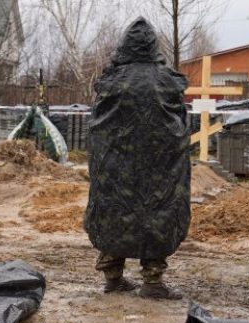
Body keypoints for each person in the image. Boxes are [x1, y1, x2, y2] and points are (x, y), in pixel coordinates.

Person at [84, 17, 191, 299]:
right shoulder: (166, 80)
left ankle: (113, 276)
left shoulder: (111, 79)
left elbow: (97, 124)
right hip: (158, 165)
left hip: (113, 165)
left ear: (124, 45)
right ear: (153, 45)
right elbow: (178, 123)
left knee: (112, 210)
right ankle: (152, 282)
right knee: (158, 212)